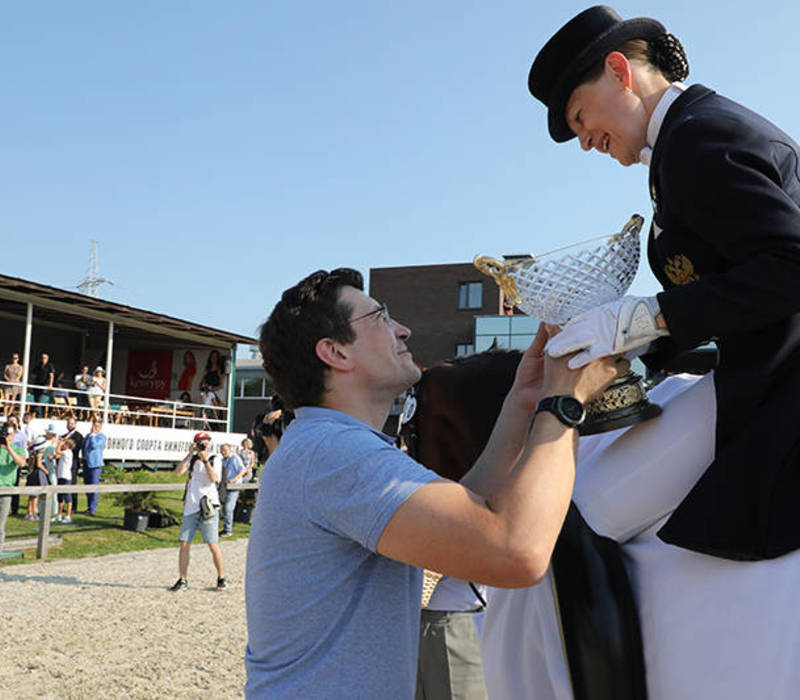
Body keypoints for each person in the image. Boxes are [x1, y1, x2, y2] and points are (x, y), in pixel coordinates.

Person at [486, 6, 800, 698]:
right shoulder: (687, 141)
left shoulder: (700, 141)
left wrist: (649, 314)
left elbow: (791, 265)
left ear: (620, 71)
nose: (584, 140)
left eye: (577, 117)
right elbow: (734, 286)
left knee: (577, 511)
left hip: (778, 381)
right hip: (762, 365)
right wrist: (645, 350)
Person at [244, 268, 624, 698]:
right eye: (380, 318)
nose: (403, 330)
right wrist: (564, 401)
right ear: (335, 352)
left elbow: (470, 509)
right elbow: (516, 553)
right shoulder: (334, 453)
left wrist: (522, 401)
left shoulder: (325, 444)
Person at [170, 432, 227, 592]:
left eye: (207, 442)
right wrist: (189, 455)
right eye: (201, 442)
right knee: (184, 543)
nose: (205, 445)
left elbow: (214, 478)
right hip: (191, 505)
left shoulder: (215, 459)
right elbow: (178, 473)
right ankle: (182, 579)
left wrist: (205, 460)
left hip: (208, 506)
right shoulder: (193, 459)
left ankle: (221, 577)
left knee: (212, 543)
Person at [0, 423, 28, 555]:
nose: (7, 437)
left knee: (0, 526)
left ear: (14, 435)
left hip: (6, 490)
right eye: (5, 434)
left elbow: (21, 463)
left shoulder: (18, 449)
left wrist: (8, 448)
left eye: (9, 434)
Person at [219, 443, 250, 536]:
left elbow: (243, 470)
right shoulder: (222, 460)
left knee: (228, 508)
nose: (223, 452)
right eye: (222, 450)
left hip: (234, 487)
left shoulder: (234, 458)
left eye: (225, 450)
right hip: (225, 487)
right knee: (224, 508)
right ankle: (225, 528)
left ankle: (228, 530)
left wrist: (234, 479)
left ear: (230, 450)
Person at [81, 417, 107, 516]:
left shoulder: (101, 437)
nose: (95, 427)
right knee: (87, 486)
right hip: (87, 463)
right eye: (94, 425)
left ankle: (93, 509)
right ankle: (89, 507)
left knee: (94, 487)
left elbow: (95, 446)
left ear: (100, 427)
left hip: (95, 464)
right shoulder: (88, 436)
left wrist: (92, 435)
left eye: (97, 426)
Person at [61, 417, 84, 513]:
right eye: (68, 423)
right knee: (62, 483)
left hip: (73, 463)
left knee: (72, 484)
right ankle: (61, 504)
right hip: (64, 463)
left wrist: (65, 443)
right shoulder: (64, 435)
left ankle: (73, 506)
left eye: (71, 423)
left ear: (75, 424)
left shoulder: (78, 436)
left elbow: (76, 448)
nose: (70, 425)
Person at [55, 437, 75, 523]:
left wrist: (59, 444)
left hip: (66, 477)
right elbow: (57, 455)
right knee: (60, 497)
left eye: (65, 444)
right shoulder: (65, 453)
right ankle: (59, 515)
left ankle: (68, 516)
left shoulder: (68, 452)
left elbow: (57, 451)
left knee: (68, 497)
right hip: (60, 476)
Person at [30, 352, 55, 417]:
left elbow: (51, 375)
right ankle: (37, 414)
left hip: (44, 385)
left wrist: (50, 384)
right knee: (36, 400)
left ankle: (39, 416)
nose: (43, 359)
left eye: (45, 358)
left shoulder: (49, 366)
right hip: (37, 385)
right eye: (42, 358)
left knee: (39, 401)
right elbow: (33, 373)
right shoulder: (38, 365)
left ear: (48, 359)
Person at [3, 352, 24, 417]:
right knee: (6, 400)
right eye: (13, 358)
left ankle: (9, 414)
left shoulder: (20, 367)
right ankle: (5, 414)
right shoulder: (8, 366)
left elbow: (19, 376)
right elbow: (5, 375)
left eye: (16, 358)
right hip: (8, 383)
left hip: (15, 384)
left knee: (12, 400)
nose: (14, 359)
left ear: (18, 359)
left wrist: (15, 381)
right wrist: (8, 380)